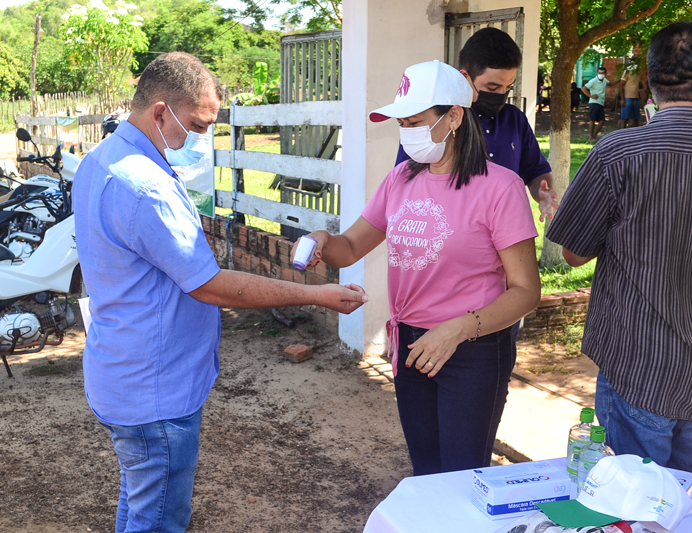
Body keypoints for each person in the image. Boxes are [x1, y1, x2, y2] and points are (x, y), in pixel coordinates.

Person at [72, 52, 368, 533]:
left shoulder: (101, 160)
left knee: (141, 500)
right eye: (198, 125)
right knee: (159, 518)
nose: (203, 139)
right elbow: (211, 286)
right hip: (155, 390)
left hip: (123, 370)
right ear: (161, 112)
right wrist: (315, 295)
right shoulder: (146, 186)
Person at [296, 60, 542, 476]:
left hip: (472, 348)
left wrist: (458, 328)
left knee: (462, 475)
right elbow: (351, 246)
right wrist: (323, 240)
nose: (406, 132)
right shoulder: (400, 180)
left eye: (415, 122)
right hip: (412, 345)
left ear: (454, 117)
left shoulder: (501, 187)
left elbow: (526, 291)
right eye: (402, 124)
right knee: (426, 471)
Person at [545, 21, 692, 471]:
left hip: (639, 366)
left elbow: (573, 254)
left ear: (649, 79)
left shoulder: (618, 153)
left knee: (630, 499)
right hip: (651, 370)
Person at [395, 28, 560, 223]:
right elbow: (405, 179)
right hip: (449, 230)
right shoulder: (439, 121)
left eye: (508, 87)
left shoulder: (515, 119)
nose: (502, 94)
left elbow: (535, 170)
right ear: (465, 77)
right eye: (492, 87)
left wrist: (543, 192)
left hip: (507, 228)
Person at [581, 66, 610, 141]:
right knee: (592, 119)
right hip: (594, 102)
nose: (601, 74)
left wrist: (620, 80)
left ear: (605, 74)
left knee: (602, 120)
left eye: (602, 73)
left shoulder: (605, 80)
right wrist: (591, 96)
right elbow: (584, 88)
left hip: (601, 103)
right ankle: (591, 137)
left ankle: (594, 135)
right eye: (599, 73)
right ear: (597, 73)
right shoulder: (593, 81)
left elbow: (610, 83)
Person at [617, 56, 643, 129]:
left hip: (636, 98)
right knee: (624, 118)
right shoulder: (627, 71)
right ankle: (622, 134)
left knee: (635, 118)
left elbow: (639, 84)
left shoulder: (640, 72)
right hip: (627, 98)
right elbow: (621, 85)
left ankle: (635, 134)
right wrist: (622, 99)